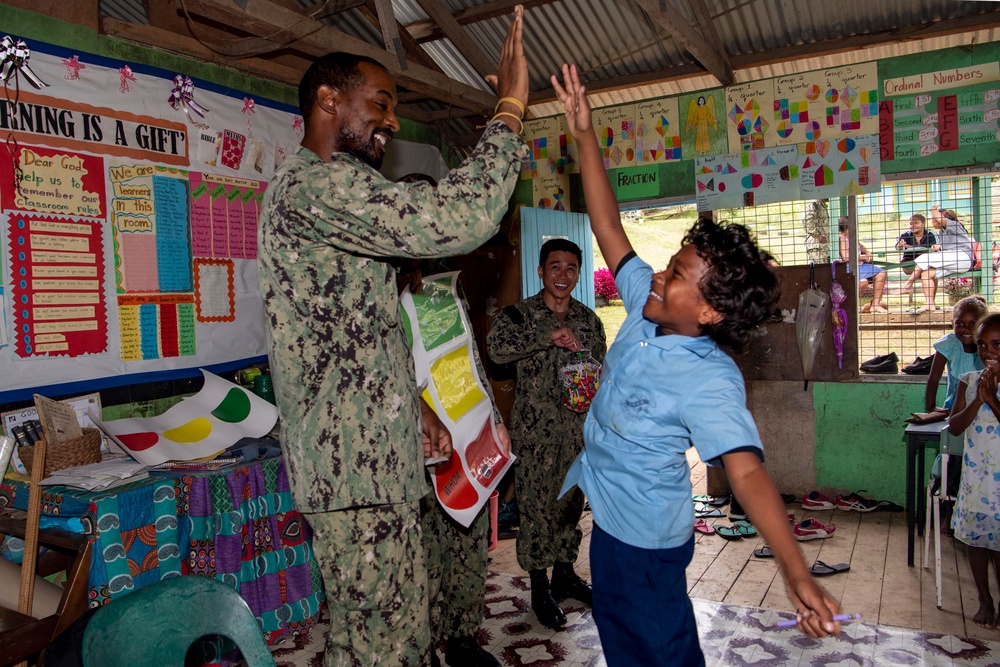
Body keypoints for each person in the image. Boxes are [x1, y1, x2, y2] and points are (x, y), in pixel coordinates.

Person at [256, 8, 529, 665]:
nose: (392, 120)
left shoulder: (329, 196)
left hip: (368, 467)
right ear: (328, 100)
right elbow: (459, 219)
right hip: (355, 481)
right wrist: (511, 107)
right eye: (379, 103)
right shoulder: (318, 187)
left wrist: (415, 409)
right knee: (394, 644)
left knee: (361, 643)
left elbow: (356, 336)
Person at [551, 63, 841, 665]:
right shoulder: (644, 308)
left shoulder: (709, 376)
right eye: (670, 263)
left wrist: (795, 571)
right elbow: (609, 226)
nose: (658, 273)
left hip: (646, 543)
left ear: (709, 311)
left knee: (661, 648)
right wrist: (583, 134)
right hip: (608, 521)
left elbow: (748, 474)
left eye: (677, 273)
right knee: (626, 643)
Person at [394, 173, 505, 667]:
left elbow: (467, 360)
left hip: (462, 427)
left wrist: (492, 419)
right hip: (410, 438)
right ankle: (423, 646)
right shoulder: (379, 280)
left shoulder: (444, 283)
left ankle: (461, 636)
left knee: (467, 538)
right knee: (421, 552)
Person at [486, 239, 607, 630]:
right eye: (555, 267)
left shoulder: (588, 320)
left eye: (571, 268)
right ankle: (540, 586)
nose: (562, 275)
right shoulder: (518, 317)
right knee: (536, 511)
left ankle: (565, 574)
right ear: (541, 271)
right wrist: (546, 337)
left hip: (577, 432)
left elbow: (600, 366)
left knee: (570, 507)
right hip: (535, 435)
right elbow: (496, 351)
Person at [946, 312, 1000, 629]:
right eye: (982, 345)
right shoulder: (969, 381)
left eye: (996, 344)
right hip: (977, 481)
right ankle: (984, 599)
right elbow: (954, 427)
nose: (988, 352)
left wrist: (992, 400)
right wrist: (977, 401)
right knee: (977, 543)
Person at [925, 295, 987, 416]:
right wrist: (931, 408)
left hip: (985, 410)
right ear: (952, 323)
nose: (966, 329)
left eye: (973, 324)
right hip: (954, 410)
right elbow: (934, 378)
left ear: (983, 323)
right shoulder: (949, 344)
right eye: (960, 324)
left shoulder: (990, 346)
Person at [910, 206, 977, 314]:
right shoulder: (942, 232)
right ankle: (929, 304)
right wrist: (940, 246)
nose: (932, 222)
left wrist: (933, 210)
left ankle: (907, 284)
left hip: (963, 258)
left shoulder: (954, 224)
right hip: (953, 261)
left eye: (934, 219)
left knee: (924, 258)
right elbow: (950, 245)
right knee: (926, 274)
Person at [839, 219, 888, 313]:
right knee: (863, 282)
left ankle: (875, 305)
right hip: (848, 266)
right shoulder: (842, 238)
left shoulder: (851, 237)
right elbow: (845, 257)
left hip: (860, 265)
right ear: (846, 228)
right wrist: (863, 257)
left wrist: (867, 251)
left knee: (881, 273)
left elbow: (860, 246)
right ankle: (851, 304)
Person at [896, 213, 936, 294]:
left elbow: (933, 250)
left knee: (932, 273)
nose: (913, 225)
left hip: (928, 262)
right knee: (929, 273)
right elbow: (897, 246)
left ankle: (907, 285)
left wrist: (908, 246)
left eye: (916, 223)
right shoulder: (905, 235)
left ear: (923, 223)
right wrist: (900, 246)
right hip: (910, 264)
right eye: (911, 223)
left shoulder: (931, 234)